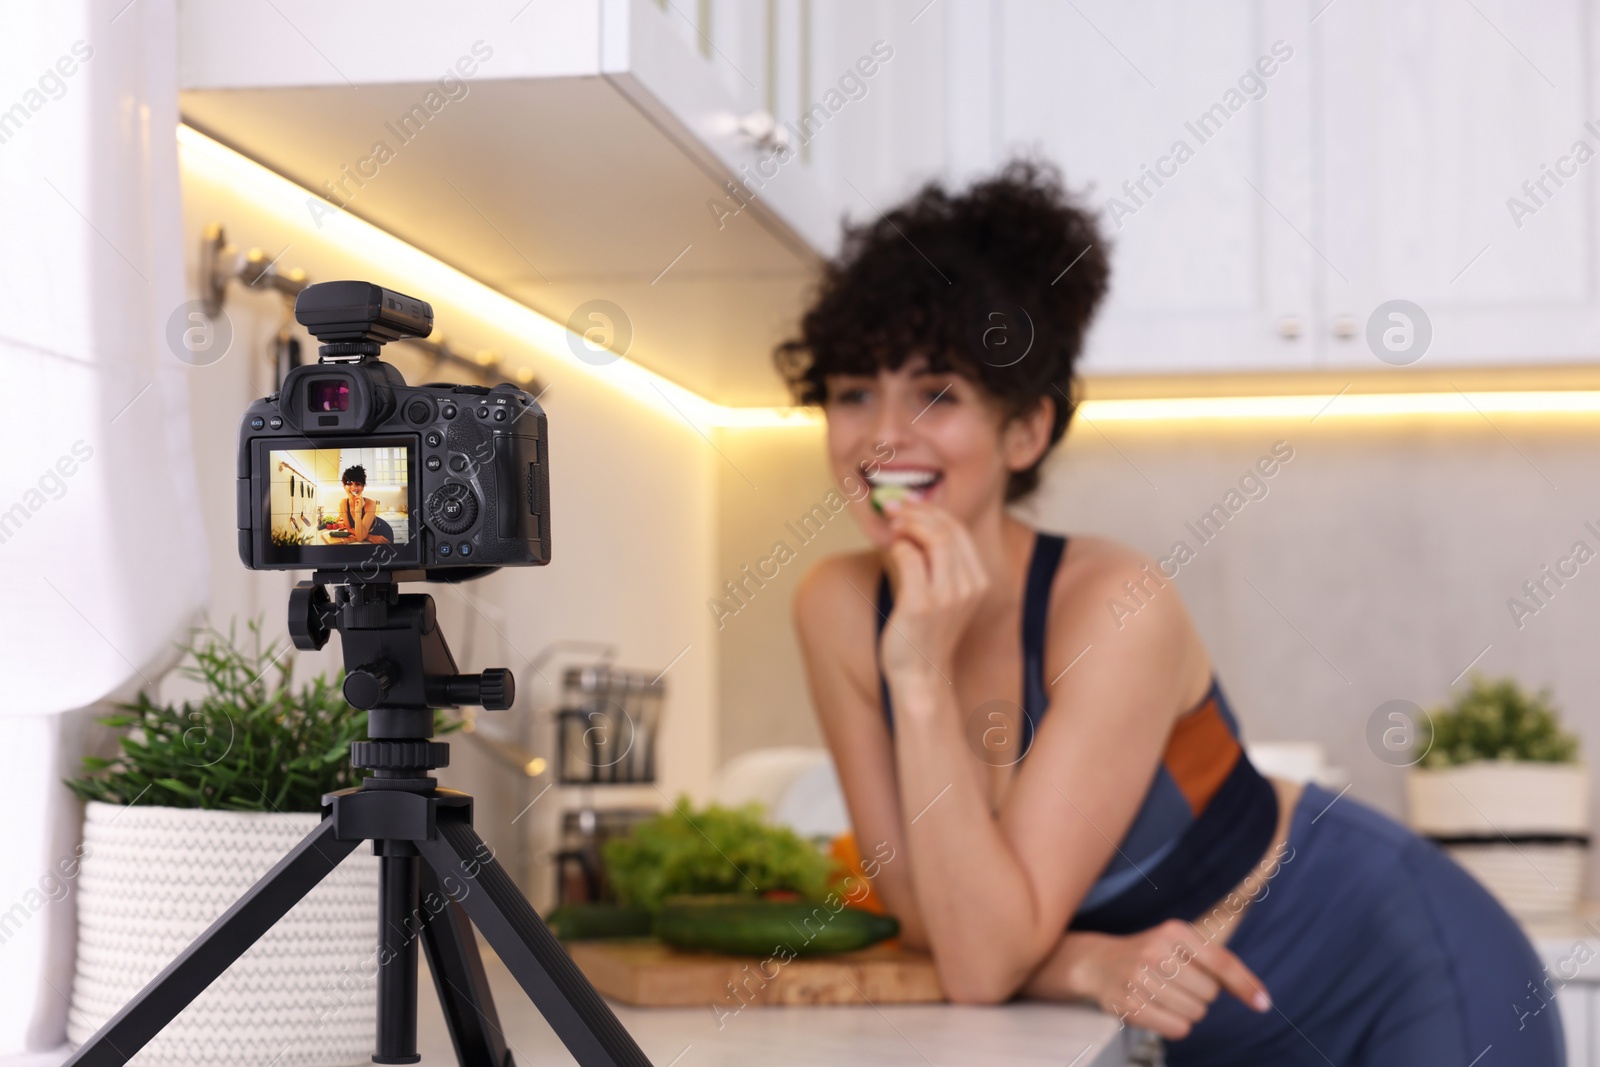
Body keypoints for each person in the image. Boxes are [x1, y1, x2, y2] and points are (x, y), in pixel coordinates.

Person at [777, 161, 1565, 1065]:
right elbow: (938, 922)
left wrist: (915, 673)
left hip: (1386, 968)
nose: (882, 435)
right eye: (852, 393)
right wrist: (1085, 963)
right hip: (1182, 1023)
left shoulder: (1114, 606)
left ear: (1026, 430)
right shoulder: (838, 609)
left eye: (937, 394)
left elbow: (983, 955)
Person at [335, 464, 394, 545]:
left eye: (358, 484)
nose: (354, 488)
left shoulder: (371, 504)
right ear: (344, 486)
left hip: (381, 533)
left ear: (363, 487)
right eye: (349, 483)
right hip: (368, 537)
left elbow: (360, 537)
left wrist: (358, 510)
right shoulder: (343, 503)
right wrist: (369, 537)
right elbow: (350, 529)